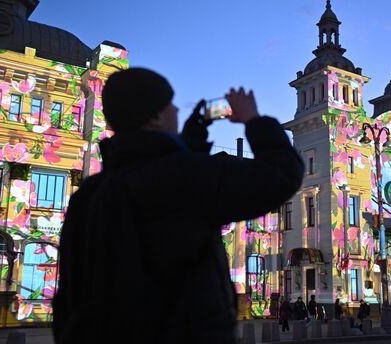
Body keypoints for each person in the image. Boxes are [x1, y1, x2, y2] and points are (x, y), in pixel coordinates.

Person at [52, 68, 304, 344]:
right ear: (157, 116)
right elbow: (282, 175)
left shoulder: (88, 196)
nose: (176, 109)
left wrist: (188, 146)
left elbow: (67, 297)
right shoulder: (186, 177)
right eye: (170, 104)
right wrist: (254, 119)